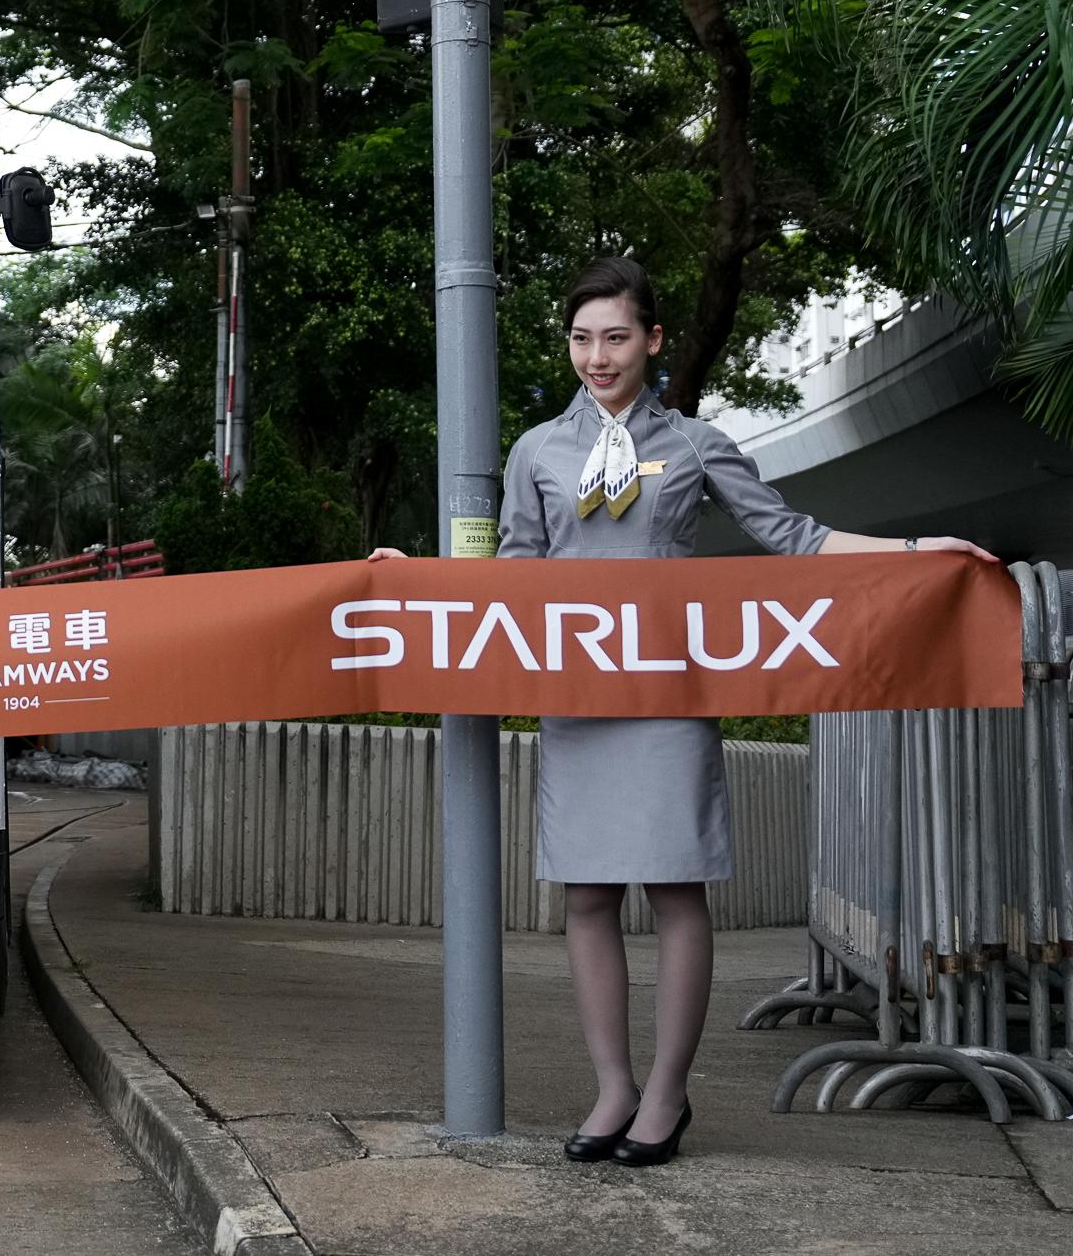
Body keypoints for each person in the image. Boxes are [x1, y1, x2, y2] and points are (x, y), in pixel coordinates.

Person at [372, 257, 989, 1168]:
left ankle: (666, 1094)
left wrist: (914, 549)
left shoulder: (698, 445)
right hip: (578, 697)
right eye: (581, 338)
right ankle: (612, 1086)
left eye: (615, 336)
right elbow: (511, 578)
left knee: (673, 889)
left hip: (667, 693)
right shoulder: (538, 449)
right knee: (584, 894)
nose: (596, 356)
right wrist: (419, 584)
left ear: (653, 340)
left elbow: (796, 540)